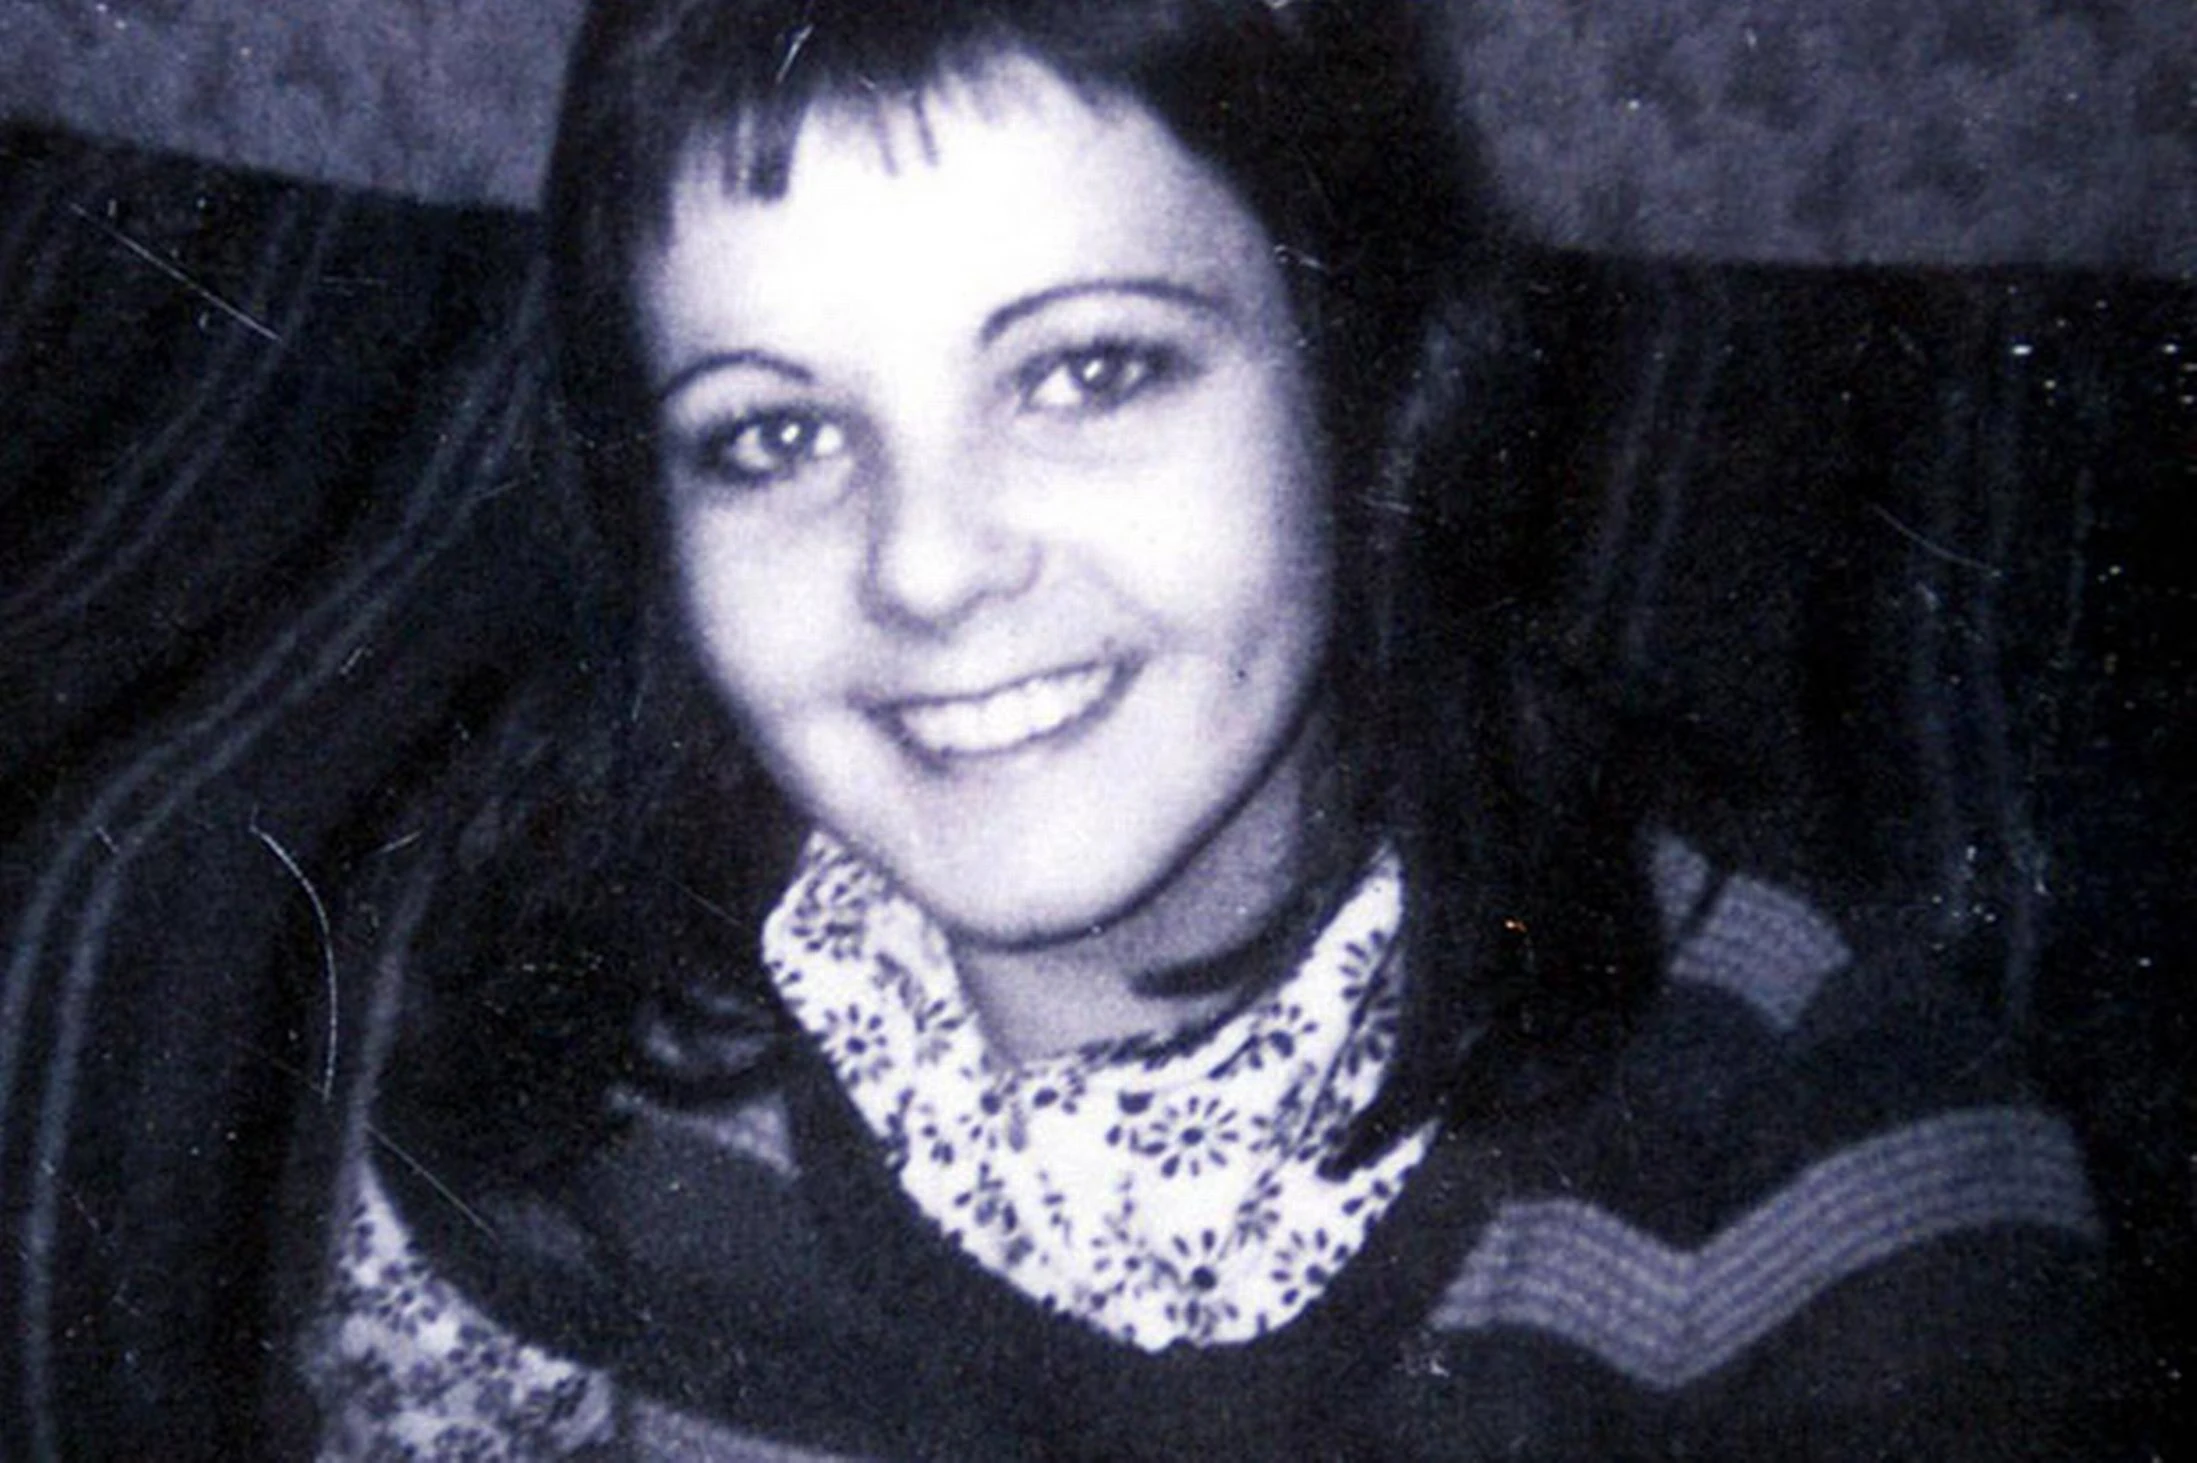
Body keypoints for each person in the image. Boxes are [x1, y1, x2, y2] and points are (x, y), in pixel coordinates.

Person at [306, 0, 2123, 1456]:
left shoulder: (1820, 1185)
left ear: (1370, 384)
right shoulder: (559, 1034)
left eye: (1088, 369)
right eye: (772, 435)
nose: (926, 566)